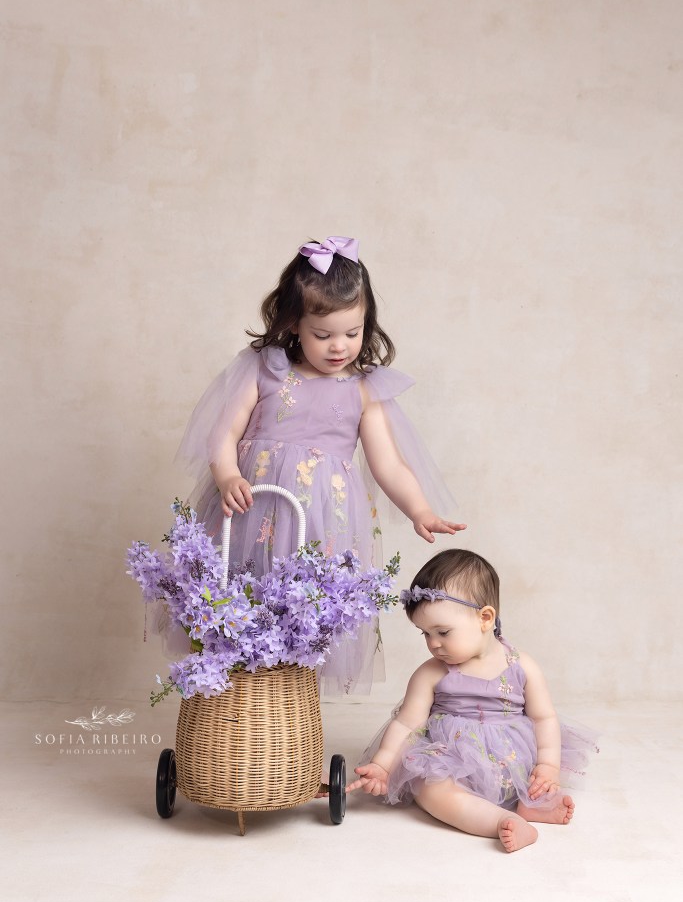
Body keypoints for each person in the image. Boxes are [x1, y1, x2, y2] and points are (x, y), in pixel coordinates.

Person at [174, 236, 466, 695]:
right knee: (244, 599)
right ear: (294, 324)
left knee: (302, 611)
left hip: (319, 520)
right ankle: (237, 696)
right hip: (253, 509)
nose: (339, 347)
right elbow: (223, 435)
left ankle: (284, 701)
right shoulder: (266, 369)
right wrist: (228, 474)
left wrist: (419, 510)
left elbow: (388, 464)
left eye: (352, 333)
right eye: (323, 335)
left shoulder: (363, 388)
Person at [349, 549, 598, 851]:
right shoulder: (430, 674)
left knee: (534, 781)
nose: (433, 644)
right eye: (425, 634)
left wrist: (547, 767)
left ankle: (531, 801)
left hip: (511, 762)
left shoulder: (522, 666)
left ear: (485, 618)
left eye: (443, 632)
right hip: (450, 760)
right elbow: (405, 724)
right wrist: (383, 765)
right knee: (431, 788)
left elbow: (544, 718)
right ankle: (498, 820)